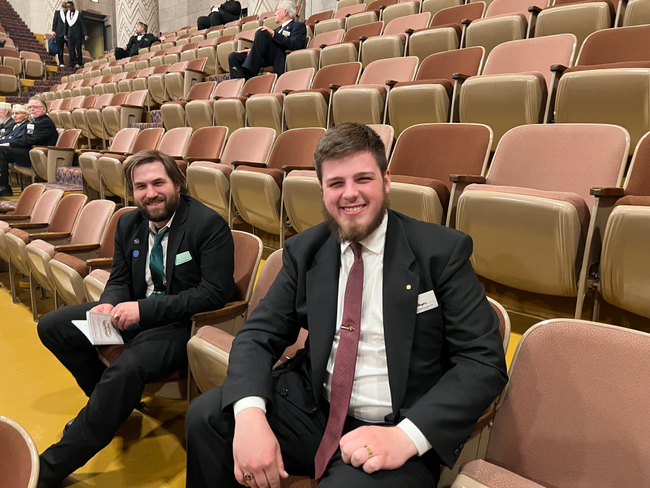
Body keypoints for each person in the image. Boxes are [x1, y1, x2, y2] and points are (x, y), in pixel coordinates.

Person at [185, 123, 509, 488]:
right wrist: (249, 417)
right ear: (321, 190)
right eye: (336, 183)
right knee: (208, 417)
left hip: (392, 427)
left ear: (386, 180)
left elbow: (483, 362)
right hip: (312, 410)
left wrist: (406, 436)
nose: (349, 194)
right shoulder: (304, 251)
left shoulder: (441, 252)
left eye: (363, 179)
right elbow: (258, 335)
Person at [36, 149, 237, 486]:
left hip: (179, 325)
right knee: (53, 327)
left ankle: (48, 468)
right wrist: (107, 303)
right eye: (141, 186)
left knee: (126, 367)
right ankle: (111, 405)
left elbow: (214, 294)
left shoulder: (208, 224)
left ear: (177, 183)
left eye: (158, 183)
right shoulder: (129, 221)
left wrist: (143, 310)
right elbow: (118, 280)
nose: (150, 193)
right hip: (127, 314)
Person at [228, 0, 306, 80]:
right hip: (265, 56)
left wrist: (273, 34)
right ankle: (240, 87)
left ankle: (249, 73)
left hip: (280, 56)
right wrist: (252, 51)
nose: (275, 14)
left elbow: (295, 44)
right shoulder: (277, 30)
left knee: (262, 32)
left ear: (285, 12)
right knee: (233, 57)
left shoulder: (298, 26)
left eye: (277, 10)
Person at [0, 100, 57, 197]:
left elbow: (31, 141)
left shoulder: (45, 122)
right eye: (30, 107)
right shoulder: (35, 121)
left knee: (2, 151)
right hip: (28, 150)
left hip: (37, 155)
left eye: (35, 107)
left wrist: (10, 144)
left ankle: (4, 187)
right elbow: (24, 139)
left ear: (44, 109)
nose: (31, 109)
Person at [64, 1, 88, 68]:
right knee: (71, 49)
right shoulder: (67, 15)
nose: (68, 8)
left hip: (77, 35)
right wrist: (65, 34)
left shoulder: (79, 14)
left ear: (72, 6)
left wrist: (85, 34)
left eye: (69, 7)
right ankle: (72, 62)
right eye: (67, 7)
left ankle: (79, 62)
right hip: (70, 35)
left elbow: (83, 25)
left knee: (78, 49)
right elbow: (66, 25)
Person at [51, 2, 68, 66]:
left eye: (66, 8)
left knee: (70, 48)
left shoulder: (68, 14)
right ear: (62, 7)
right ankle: (61, 62)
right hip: (59, 33)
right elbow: (54, 22)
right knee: (60, 49)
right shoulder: (57, 13)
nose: (65, 10)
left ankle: (73, 62)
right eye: (64, 8)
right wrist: (53, 30)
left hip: (66, 34)